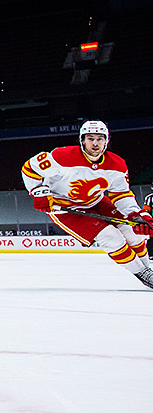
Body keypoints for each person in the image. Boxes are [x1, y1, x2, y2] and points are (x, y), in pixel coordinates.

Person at [22, 120, 153, 289]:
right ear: (82, 140)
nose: (95, 143)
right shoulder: (61, 157)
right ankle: (142, 274)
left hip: (96, 201)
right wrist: (37, 192)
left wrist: (134, 214)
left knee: (133, 231)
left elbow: (120, 193)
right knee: (111, 238)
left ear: (107, 141)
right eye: (90, 138)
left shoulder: (117, 164)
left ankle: (148, 270)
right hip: (66, 209)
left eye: (100, 139)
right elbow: (29, 168)